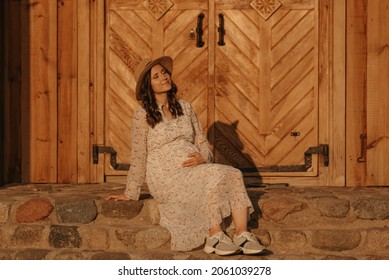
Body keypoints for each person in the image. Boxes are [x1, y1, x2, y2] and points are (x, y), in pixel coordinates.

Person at [105, 56, 265, 256]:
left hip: (193, 169)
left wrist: (204, 157)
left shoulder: (186, 107)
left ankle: (242, 234)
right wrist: (131, 192)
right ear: (148, 85)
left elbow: (201, 141)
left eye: (164, 72)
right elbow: (139, 155)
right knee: (213, 177)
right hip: (165, 176)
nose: (163, 77)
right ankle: (214, 235)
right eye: (156, 76)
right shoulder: (142, 114)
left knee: (233, 173)